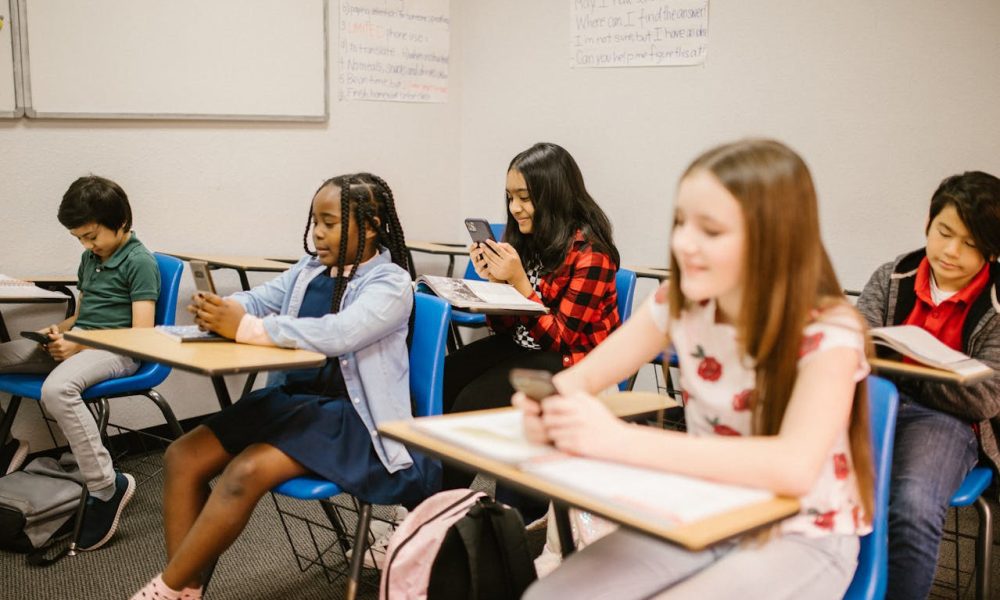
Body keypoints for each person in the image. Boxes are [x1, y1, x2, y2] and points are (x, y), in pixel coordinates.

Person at [519, 139, 874, 599]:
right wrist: (546, 403)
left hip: (804, 532)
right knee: (549, 595)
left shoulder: (829, 333)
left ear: (773, 237)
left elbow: (792, 467)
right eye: (681, 223)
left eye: (711, 230)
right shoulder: (680, 303)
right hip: (711, 509)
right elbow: (582, 378)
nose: (684, 243)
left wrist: (623, 441)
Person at [129, 173, 438, 600]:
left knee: (245, 471)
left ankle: (165, 588)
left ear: (369, 226)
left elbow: (339, 332)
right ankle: (187, 590)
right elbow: (259, 300)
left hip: (353, 421)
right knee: (182, 455)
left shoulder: (390, 284)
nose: (317, 233)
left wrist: (248, 328)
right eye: (315, 221)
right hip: (295, 404)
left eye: (330, 222)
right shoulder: (309, 270)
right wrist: (226, 309)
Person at [441, 142, 621, 521]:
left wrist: (520, 283)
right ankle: (434, 503)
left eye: (525, 197)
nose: (514, 208)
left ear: (552, 196)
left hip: (574, 362)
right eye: (510, 197)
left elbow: (562, 338)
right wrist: (496, 285)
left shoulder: (592, 254)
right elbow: (508, 326)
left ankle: (436, 515)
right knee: (446, 377)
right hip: (528, 347)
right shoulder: (528, 239)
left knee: (470, 404)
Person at [857, 171, 1000, 600]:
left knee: (913, 505)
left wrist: (901, 372)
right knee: (811, 475)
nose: (952, 251)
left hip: (948, 421)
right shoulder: (893, 276)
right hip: (874, 402)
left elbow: (985, 396)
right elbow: (853, 350)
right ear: (928, 222)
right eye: (944, 232)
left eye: (971, 243)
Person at [0, 175, 160, 550]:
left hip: (120, 351)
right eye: (79, 240)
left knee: (58, 389)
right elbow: (83, 316)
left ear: (120, 222)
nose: (87, 246)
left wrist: (80, 345)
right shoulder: (90, 258)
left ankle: (107, 486)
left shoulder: (140, 262)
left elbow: (141, 334)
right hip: (81, 343)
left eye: (91, 236)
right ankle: (6, 447)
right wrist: (59, 329)